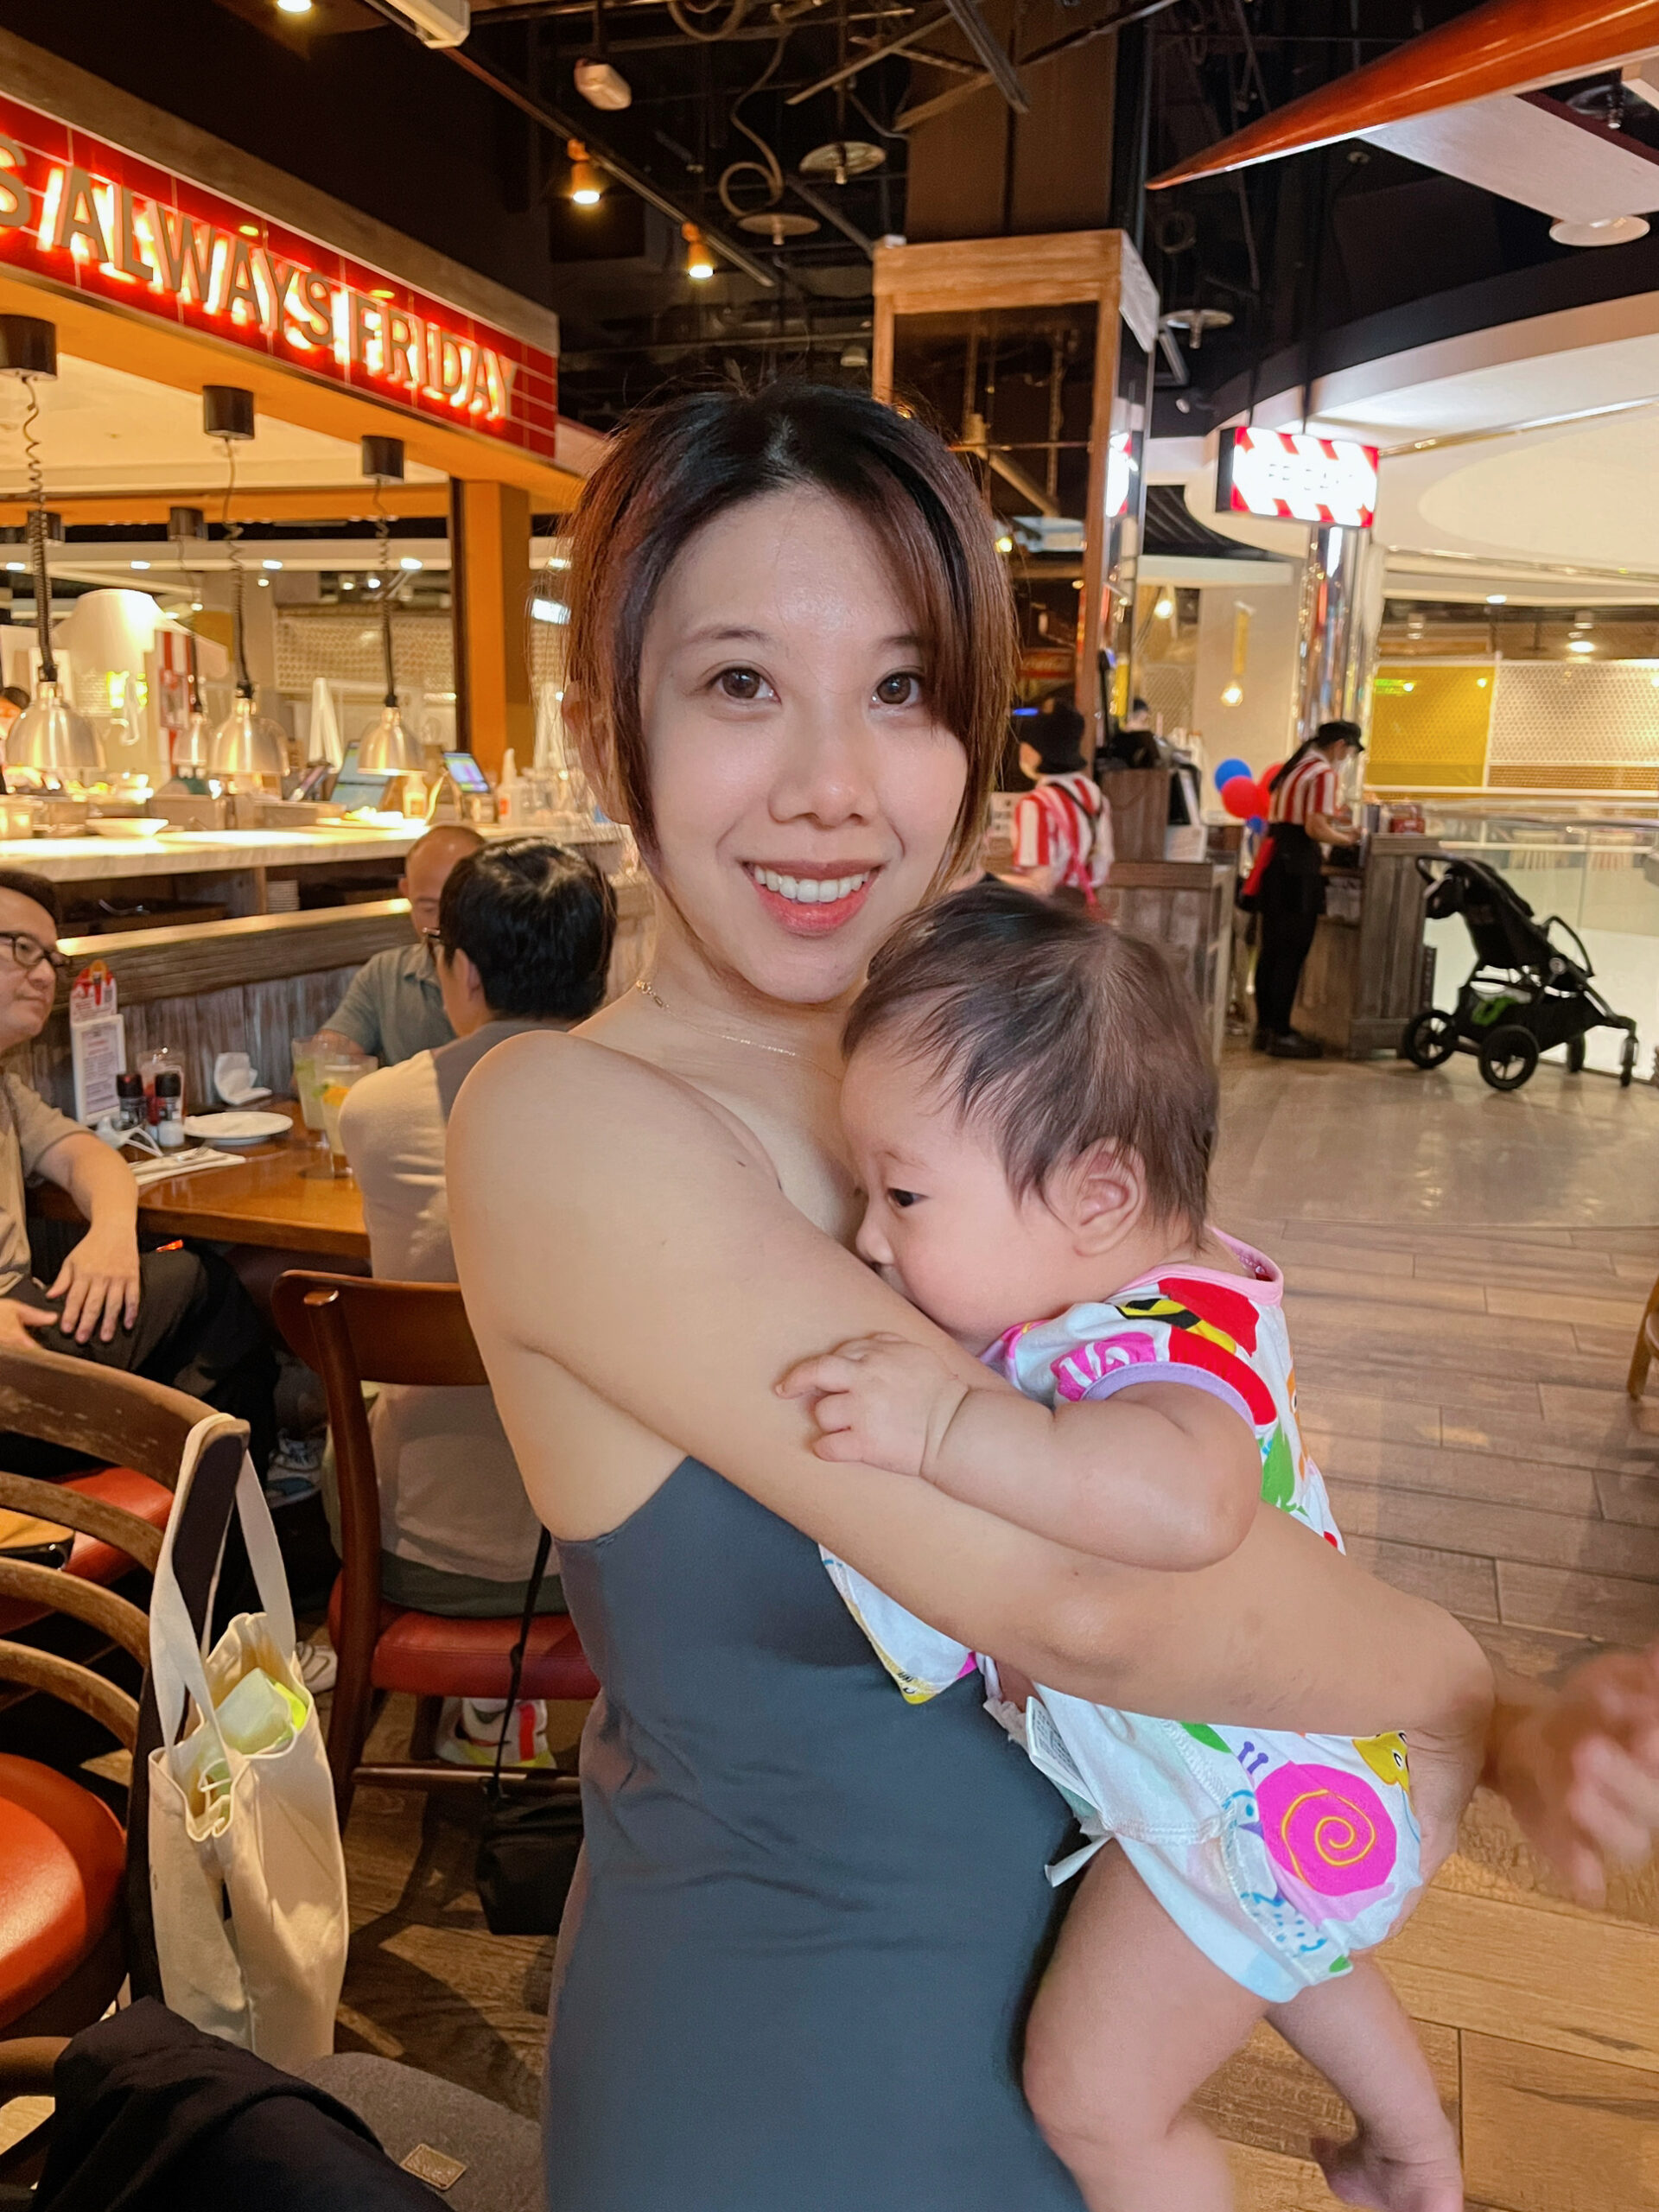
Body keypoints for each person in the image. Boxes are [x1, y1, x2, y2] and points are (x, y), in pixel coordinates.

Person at [443, 385, 1659, 2212]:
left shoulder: (981, 1079)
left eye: (903, 690)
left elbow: (1202, 1447)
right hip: (788, 2090)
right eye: (741, 683)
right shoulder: (566, 1124)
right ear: (606, 725)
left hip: (1090, 2048)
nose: (833, 785)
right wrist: (1468, 1698)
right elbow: (1092, 1596)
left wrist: (1507, 1723)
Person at [782, 885, 1469, 2212]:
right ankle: (1414, 2148)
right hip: (1292, 1797)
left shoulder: (1160, 1348)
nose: (868, 1236)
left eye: (904, 1194)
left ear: (1099, 1193)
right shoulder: (1138, 1281)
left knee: (1094, 2099)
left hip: (1244, 1793)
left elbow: (1189, 1508)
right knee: (1281, 1941)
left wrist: (947, 1428)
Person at [336, 836, 614, 1768]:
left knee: (345, 1425)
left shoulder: (375, 1112)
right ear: (601, 967)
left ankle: (478, 1707)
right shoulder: (653, 1107)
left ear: (461, 969)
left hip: (418, 1549)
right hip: (606, 1550)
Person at [0, 868, 276, 1471]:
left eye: (51, 957)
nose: (44, 974)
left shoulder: (5, 1086)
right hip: (10, 1358)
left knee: (196, 1323)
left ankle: (186, 1493)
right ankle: (224, 1497)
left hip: (26, 1331)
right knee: (206, 1286)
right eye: (20, 948)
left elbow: (87, 1155)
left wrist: (111, 1233)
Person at [316, 823, 484, 1066]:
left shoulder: (520, 975)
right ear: (406, 892)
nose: (445, 925)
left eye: (461, 907)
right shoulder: (386, 973)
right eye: (429, 908)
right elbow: (321, 1066)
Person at [1252, 719, 1363, 1058]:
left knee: (1271, 950)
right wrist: (1347, 838)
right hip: (1298, 868)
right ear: (1340, 745)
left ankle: (1265, 1029)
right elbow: (1315, 828)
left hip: (1275, 863)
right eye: (1349, 752)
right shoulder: (1323, 774)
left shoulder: (1294, 769)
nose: (1347, 759)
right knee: (1292, 950)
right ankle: (1282, 1032)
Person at [1008, 690, 1112, 905]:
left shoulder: (1036, 806)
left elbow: (1039, 885)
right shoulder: (1094, 796)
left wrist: (985, 882)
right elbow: (1102, 866)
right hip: (1082, 912)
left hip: (1048, 917)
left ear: (1035, 752)